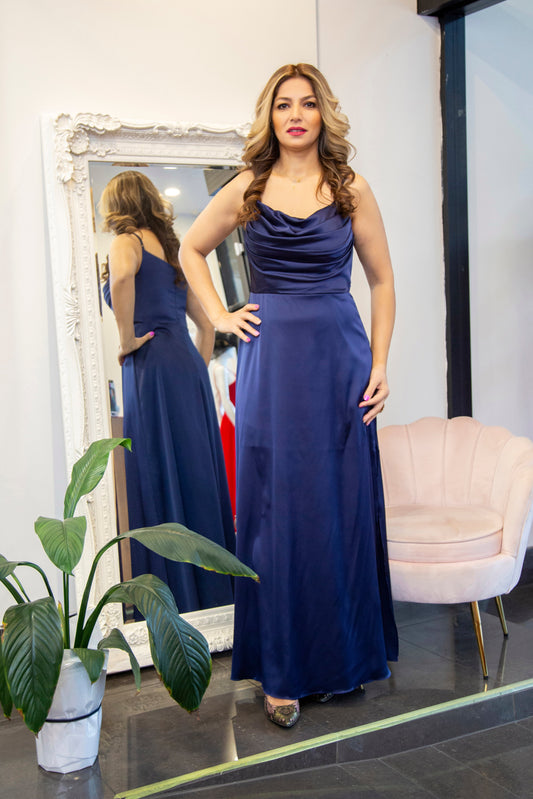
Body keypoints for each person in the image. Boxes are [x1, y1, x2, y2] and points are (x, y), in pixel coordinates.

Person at [179, 63, 399, 727]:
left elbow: (382, 282)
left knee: (339, 504)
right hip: (272, 362)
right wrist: (219, 316)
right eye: (283, 104)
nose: (295, 114)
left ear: (322, 113)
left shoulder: (350, 188)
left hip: (339, 359)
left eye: (307, 103)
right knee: (276, 513)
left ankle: (341, 658)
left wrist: (380, 362)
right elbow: (190, 249)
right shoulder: (248, 186)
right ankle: (282, 669)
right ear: (269, 116)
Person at [100, 170, 235, 614]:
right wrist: (195, 367)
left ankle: (171, 599)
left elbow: (121, 280)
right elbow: (206, 321)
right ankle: (214, 591)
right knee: (195, 470)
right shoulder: (174, 251)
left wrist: (124, 340)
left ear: (117, 203)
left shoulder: (127, 240)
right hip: (183, 365)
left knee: (158, 467)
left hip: (151, 365)